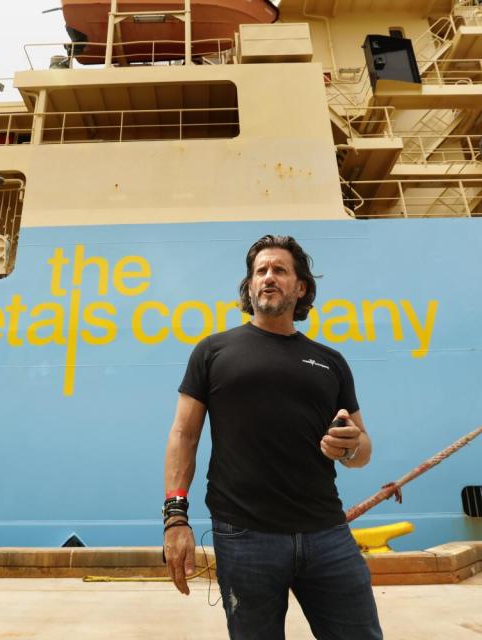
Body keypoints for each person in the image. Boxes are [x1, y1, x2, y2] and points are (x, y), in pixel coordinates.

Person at [162, 234, 383, 640]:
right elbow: (183, 435)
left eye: (279, 270)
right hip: (244, 534)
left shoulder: (331, 361)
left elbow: (363, 448)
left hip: (327, 533)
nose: (267, 277)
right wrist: (175, 517)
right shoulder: (213, 351)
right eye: (259, 271)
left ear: (300, 288)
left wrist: (350, 446)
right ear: (249, 286)